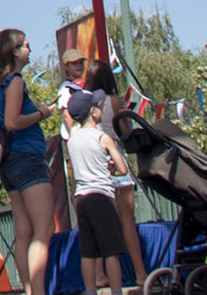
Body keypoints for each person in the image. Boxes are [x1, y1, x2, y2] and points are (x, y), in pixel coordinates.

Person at [0, 30, 57, 295]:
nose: (31, 49)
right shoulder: (15, 81)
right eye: (26, 45)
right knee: (43, 228)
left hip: (10, 163)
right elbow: (13, 122)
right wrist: (42, 112)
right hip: (27, 157)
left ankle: (29, 288)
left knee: (24, 230)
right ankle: (38, 290)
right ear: (15, 51)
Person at [83, 62, 147, 289]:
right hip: (115, 159)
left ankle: (100, 275)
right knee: (127, 222)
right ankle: (140, 273)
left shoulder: (84, 106)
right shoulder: (114, 101)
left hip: (96, 165)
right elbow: (125, 130)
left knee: (101, 225)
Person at [64, 92, 130, 295]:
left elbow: (76, 174)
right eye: (99, 107)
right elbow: (123, 169)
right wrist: (112, 169)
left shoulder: (72, 141)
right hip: (101, 195)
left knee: (88, 251)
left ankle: (90, 290)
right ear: (93, 112)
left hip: (82, 198)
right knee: (110, 249)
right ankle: (116, 290)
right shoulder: (103, 137)